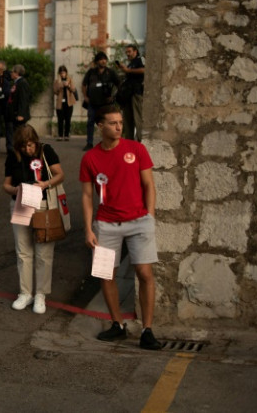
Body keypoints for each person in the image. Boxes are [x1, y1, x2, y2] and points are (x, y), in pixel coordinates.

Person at [79, 104, 162, 350]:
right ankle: (117, 324)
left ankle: (147, 329)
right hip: (106, 225)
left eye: (120, 122)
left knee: (145, 274)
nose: (118, 127)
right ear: (100, 126)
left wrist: (150, 217)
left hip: (139, 223)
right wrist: (88, 229)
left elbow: (149, 185)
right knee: (106, 275)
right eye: (113, 123)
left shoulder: (136, 149)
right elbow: (86, 196)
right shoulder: (90, 158)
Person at [2, 125, 64, 314]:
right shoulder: (13, 157)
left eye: (30, 146)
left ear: (35, 142)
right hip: (21, 204)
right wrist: (14, 190)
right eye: (23, 147)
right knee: (23, 251)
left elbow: (60, 174)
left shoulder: (46, 151)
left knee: (44, 253)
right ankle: (25, 292)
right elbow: (5, 184)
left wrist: (45, 184)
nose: (27, 150)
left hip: (43, 205)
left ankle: (40, 294)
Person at [82, 51, 120, 151]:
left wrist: (114, 97)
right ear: (97, 61)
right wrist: (85, 96)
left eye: (104, 59)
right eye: (101, 59)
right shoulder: (91, 72)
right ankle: (89, 143)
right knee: (90, 122)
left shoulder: (110, 72)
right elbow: (84, 84)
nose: (103, 61)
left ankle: (108, 142)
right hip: (93, 102)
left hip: (106, 103)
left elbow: (119, 84)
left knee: (107, 123)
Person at [117, 44, 145, 142]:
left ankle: (141, 142)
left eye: (129, 51)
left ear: (135, 51)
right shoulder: (130, 63)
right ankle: (129, 142)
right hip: (128, 94)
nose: (127, 54)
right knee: (127, 120)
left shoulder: (140, 59)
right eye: (126, 52)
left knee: (138, 118)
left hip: (136, 93)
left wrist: (128, 70)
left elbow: (144, 70)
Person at [6, 64, 32, 149]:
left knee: (20, 134)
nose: (11, 73)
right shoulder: (17, 83)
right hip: (14, 114)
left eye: (12, 71)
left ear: (17, 73)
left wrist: (21, 114)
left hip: (19, 114)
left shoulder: (22, 83)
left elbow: (23, 99)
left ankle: (23, 150)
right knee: (17, 134)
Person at [53, 66, 77, 141]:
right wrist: (60, 86)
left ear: (66, 73)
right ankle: (60, 135)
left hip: (69, 103)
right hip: (60, 103)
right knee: (60, 120)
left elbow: (73, 89)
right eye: (61, 73)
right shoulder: (57, 81)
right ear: (59, 74)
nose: (62, 74)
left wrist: (68, 85)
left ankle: (66, 135)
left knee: (68, 119)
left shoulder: (70, 80)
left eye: (63, 73)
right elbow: (55, 91)